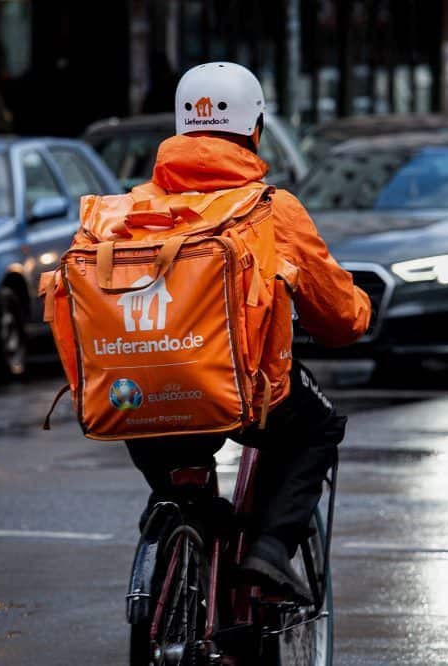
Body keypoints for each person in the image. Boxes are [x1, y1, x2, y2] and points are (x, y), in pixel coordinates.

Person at [125, 62, 371, 603]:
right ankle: (269, 550)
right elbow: (338, 316)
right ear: (254, 129)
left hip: (136, 394)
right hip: (242, 393)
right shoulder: (270, 209)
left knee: (166, 446)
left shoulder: (136, 207)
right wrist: (359, 314)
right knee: (317, 426)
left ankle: (178, 513)